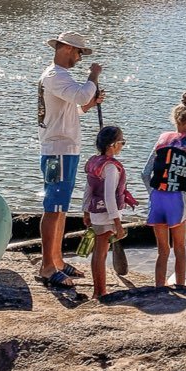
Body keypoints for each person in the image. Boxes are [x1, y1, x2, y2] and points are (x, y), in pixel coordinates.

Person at [37, 31, 103, 288]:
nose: (79, 57)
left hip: (64, 148)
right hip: (57, 150)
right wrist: (93, 76)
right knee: (53, 206)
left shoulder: (60, 77)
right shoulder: (55, 75)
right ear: (65, 48)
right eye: (78, 52)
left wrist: (89, 103)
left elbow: (74, 106)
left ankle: (57, 260)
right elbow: (81, 95)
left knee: (61, 206)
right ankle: (46, 266)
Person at [142, 99, 186, 287]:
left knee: (163, 251)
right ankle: (182, 288)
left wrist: (153, 192)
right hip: (177, 199)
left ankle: (159, 288)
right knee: (180, 249)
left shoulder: (162, 139)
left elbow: (145, 174)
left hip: (157, 197)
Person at [82, 126, 129, 299]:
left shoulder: (94, 162)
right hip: (107, 215)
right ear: (112, 145)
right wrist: (118, 224)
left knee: (98, 253)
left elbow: (88, 189)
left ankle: (98, 290)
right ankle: (99, 292)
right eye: (122, 142)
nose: (122, 146)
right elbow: (110, 197)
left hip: (96, 212)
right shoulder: (110, 168)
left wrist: (86, 211)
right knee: (100, 254)